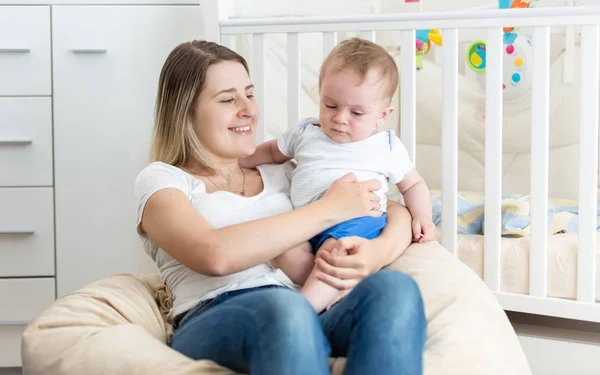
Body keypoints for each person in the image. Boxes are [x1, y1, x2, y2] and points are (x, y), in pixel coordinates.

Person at [135, 40, 426, 375]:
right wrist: (328, 210)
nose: (249, 110)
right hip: (217, 314)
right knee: (284, 309)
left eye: (249, 94)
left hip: (313, 307)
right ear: (186, 111)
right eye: (229, 99)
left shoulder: (288, 170)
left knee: (395, 290)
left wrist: (378, 252)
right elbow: (213, 254)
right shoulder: (164, 179)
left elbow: (388, 206)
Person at [240, 38, 436, 313]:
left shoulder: (386, 146)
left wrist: (422, 216)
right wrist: (237, 160)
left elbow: (413, 183)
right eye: (331, 106)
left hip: (355, 221)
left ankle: (303, 311)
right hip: (309, 222)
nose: (340, 118)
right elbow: (273, 152)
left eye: (356, 112)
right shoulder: (306, 132)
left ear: (382, 114)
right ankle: (340, 290)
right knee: (281, 249)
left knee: (333, 254)